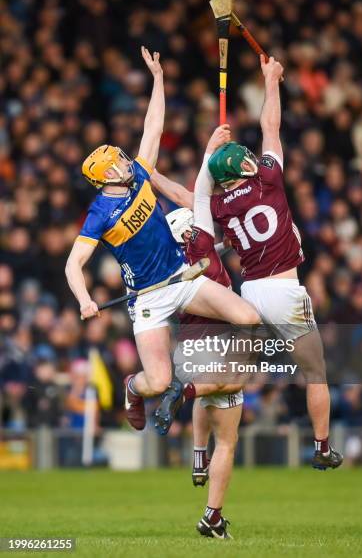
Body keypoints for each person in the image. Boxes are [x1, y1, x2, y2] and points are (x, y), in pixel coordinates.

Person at [65, 47, 260, 433]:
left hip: (182, 277)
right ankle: (131, 389)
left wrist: (158, 79)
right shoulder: (98, 216)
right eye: (116, 163)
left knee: (250, 317)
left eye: (121, 159)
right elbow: (73, 264)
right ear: (106, 178)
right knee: (155, 381)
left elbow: (153, 127)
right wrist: (85, 300)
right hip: (148, 298)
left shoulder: (139, 175)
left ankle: (213, 378)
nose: (124, 161)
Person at [193, 55, 343, 471]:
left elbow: (196, 195)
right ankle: (321, 446)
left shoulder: (218, 204)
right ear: (244, 165)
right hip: (284, 290)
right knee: (316, 371)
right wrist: (271, 80)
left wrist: (208, 156)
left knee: (230, 379)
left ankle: (197, 442)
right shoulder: (269, 180)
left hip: (248, 294)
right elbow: (270, 127)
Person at [159, 203, 242, 539]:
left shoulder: (171, 267)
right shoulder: (203, 252)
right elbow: (211, 249)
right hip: (217, 343)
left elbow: (215, 250)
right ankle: (213, 517)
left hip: (187, 348)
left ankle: (197, 455)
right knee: (227, 440)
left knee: (207, 397)